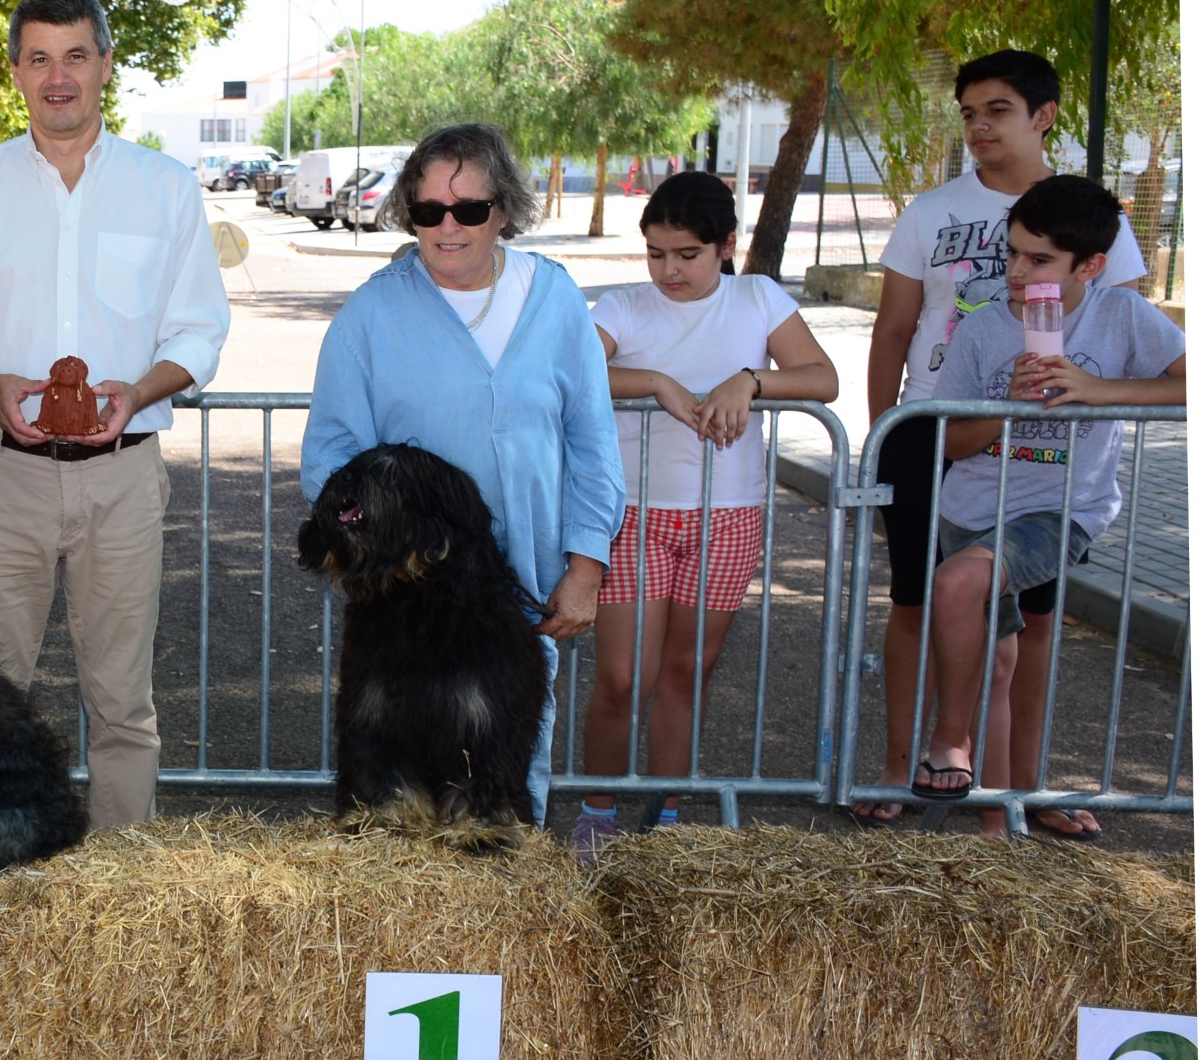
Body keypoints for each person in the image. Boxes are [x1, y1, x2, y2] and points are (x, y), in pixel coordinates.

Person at [0, 0, 229, 831]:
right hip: (2, 475)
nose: (59, 78)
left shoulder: (165, 188)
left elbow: (198, 332)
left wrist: (140, 392)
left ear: (106, 67)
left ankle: (118, 894)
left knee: (123, 701)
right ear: (14, 72)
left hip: (123, 477)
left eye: (75, 56)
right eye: (40, 59)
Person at [301, 122, 625, 832]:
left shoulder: (557, 302)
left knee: (504, 789)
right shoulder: (370, 315)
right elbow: (330, 458)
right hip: (402, 611)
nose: (448, 228)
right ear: (407, 214)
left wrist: (587, 563)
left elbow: (593, 441)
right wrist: (383, 549)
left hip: (519, 601)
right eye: (428, 211)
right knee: (386, 790)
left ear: (503, 211)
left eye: (469, 210)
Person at [863, 49, 1148, 834]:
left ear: (1043, 115)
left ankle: (1023, 791)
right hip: (934, 430)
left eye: (997, 109)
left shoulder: (1093, 216)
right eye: (968, 112)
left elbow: (1120, 335)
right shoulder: (929, 210)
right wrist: (878, 436)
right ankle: (902, 767)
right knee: (919, 602)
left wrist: (1088, 404)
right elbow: (893, 327)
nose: (979, 126)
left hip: (1050, 458)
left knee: (1032, 625)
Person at [573, 172, 837, 861]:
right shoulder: (624, 305)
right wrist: (658, 382)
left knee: (687, 672)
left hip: (728, 516)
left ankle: (666, 817)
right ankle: (595, 811)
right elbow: (572, 373)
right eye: (656, 253)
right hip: (634, 515)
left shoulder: (757, 297)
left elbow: (821, 376)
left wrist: (751, 381)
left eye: (686, 254)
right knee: (624, 676)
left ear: (726, 245)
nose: (668, 270)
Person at [916, 174, 1184, 827]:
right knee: (997, 664)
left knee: (955, 587)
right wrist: (1007, 406)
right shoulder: (981, 332)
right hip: (973, 507)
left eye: (1039, 260)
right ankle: (997, 826)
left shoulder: (1121, 316)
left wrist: (1097, 387)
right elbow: (953, 444)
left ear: (1090, 265)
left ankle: (947, 742)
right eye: (1011, 253)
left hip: (1059, 512)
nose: (1017, 271)